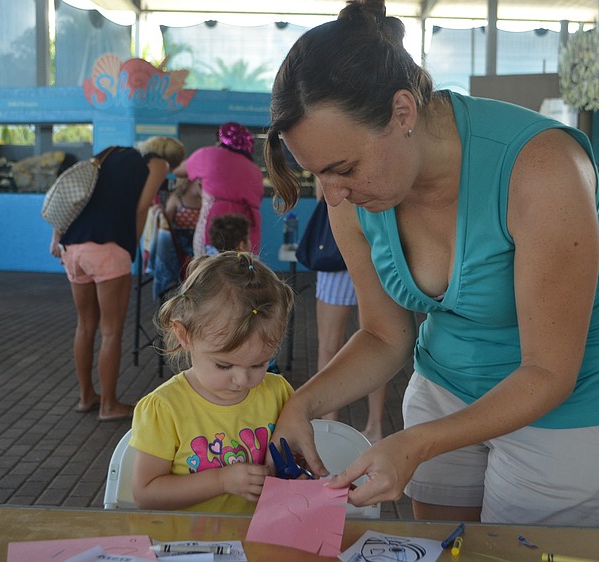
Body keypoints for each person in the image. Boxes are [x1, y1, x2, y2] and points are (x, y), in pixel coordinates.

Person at [262, 0, 599, 526]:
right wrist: (300, 404)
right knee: (446, 545)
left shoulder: (543, 167)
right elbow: (383, 335)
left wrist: (415, 444)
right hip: (447, 378)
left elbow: (549, 371)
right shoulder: (350, 199)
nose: (332, 196)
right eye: (316, 176)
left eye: (343, 168)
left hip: (569, 396)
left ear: (403, 112)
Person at [129, 252, 295, 513]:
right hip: (189, 547)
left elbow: (294, 461)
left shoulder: (280, 393)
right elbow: (145, 493)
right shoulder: (165, 408)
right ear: (184, 335)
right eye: (224, 365)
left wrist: (300, 479)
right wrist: (221, 481)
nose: (242, 380)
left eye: (259, 364)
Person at [50, 137, 186, 421]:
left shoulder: (107, 154)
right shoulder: (157, 163)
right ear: (169, 159)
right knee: (111, 331)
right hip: (108, 249)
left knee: (85, 326)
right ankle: (109, 405)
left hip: (73, 247)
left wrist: (57, 236)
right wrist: (130, 247)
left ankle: (86, 397)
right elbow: (142, 208)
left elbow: (71, 198)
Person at [309, 179, 386, 443]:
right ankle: (374, 426)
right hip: (377, 246)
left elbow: (324, 195)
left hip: (340, 251)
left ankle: (331, 425)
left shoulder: (328, 153)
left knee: (331, 346)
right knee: (381, 342)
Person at [174, 122, 264, 256]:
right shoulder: (256, 170)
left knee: (210, 267)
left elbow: (178, 171)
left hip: (215, 222)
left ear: (220, 141)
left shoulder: (208, 154)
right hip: (247, 228)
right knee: (243, 269)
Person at [164, 177, 202, 257]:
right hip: (181, 245)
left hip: (200, 242)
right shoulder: (176, 199)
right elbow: (165, 224)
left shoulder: (205, 200)